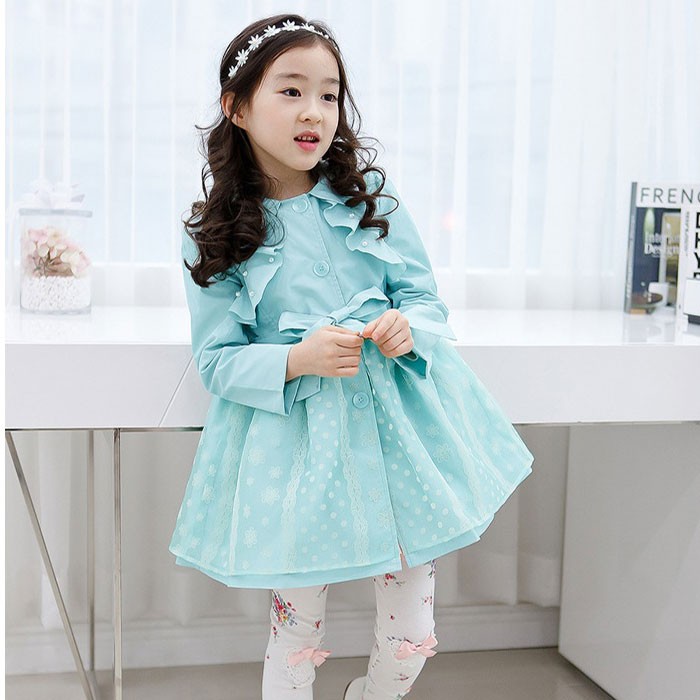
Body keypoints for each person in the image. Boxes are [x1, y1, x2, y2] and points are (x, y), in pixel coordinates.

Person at [168, 12, 535, 700]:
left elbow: (423, 300)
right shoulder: (214, 233)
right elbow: (217, 360)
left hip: (398, 441)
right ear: (237, 107)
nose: (314, 111)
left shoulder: (371, 201)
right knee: (295, 638)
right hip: (296, 455)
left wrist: (405, 328)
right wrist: (297, 358)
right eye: (291, 91)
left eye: (330, 94)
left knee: (411, 635)